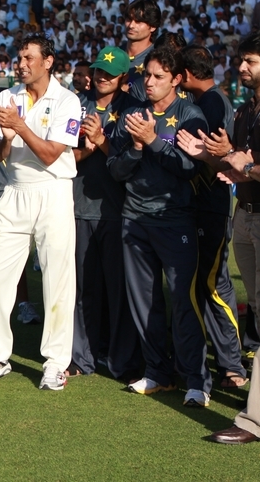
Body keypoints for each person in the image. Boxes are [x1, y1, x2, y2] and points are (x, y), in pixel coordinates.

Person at [0, 35, 81, 391]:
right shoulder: (7, 96)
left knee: (57, 279)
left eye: (29, 57)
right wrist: (5, 137)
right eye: (19, 57)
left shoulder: (67, 100)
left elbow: (50, 155)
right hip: (14, 190)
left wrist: (19, 127)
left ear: (48, 61)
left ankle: (56, 363)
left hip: (53, 191)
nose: (21, 63)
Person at [107, 45, 212, 406]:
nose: (148, 83)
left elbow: (190, 168)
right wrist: (136, 147)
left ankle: (197, 380)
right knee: (144, 301)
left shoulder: (190, 114)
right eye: (146, 76)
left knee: (183, 302)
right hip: (134, 217)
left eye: (158, 77)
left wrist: (152, 141)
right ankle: (157, 373)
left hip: (174, 219)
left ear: (177, 80)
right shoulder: (132, 115)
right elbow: (115, 170)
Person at [175, 44, 246, 388]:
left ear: (185, 75)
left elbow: (218, 154)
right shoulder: (210, 100)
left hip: (213, 205)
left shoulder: (212, 103)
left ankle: (233, 365)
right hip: (204, 204)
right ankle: (223, 361)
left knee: (215, 284)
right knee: (205, 284)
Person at [69, 47, 140, 380]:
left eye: (109, 73)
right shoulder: (76, 104)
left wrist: (102, 140)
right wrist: (87, 147)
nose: (101, 77)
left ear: (123, 78)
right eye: (98, 70)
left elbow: (128, 166)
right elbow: (63, 154)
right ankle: (81, 357)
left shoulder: (132, 110)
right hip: (80, 206)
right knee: (83, 289)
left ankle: (121, 360)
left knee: (118, 291)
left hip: (119, 209)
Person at [211, 32, 260, 443]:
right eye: (242, 60)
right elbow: (242, 163)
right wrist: (226, 156)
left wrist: (248, 165)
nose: (242, 68)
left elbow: (252, 165)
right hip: (244, 216)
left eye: (252, 62)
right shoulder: (246, 111)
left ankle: (253, 420)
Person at [123, 0, 160, 101]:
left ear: (153, 27)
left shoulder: (159, 58)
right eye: (129, 19)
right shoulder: (112, 54)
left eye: (138, 21)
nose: (131, 25)